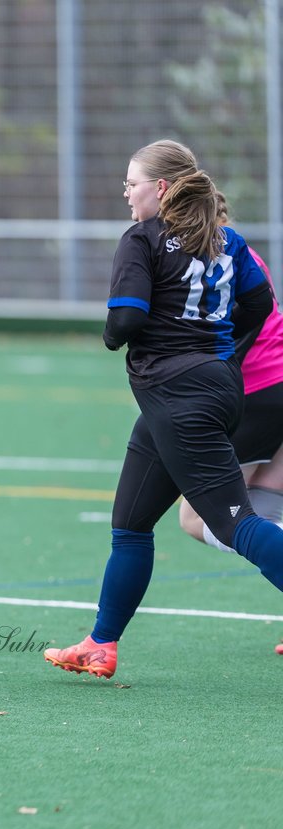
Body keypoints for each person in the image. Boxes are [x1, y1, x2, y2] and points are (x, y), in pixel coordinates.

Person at [44, 139, 283, 679]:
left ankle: (103, 640)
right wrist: (215, 344)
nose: (125, 193)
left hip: (179, 396)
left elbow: (123, 326)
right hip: (210, 389)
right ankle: (101, 643)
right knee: (131, 523)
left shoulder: (142, 240)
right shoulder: (230, 241)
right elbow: (261, 304)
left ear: (161, 188)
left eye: (132, 183)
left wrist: (117, 337)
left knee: (234, 524)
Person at [177, 243, 283, 549]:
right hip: (275, 383)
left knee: (195, 519)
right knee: (265, 511)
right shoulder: (247, 252)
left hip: (259, 389)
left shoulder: (207, 259)